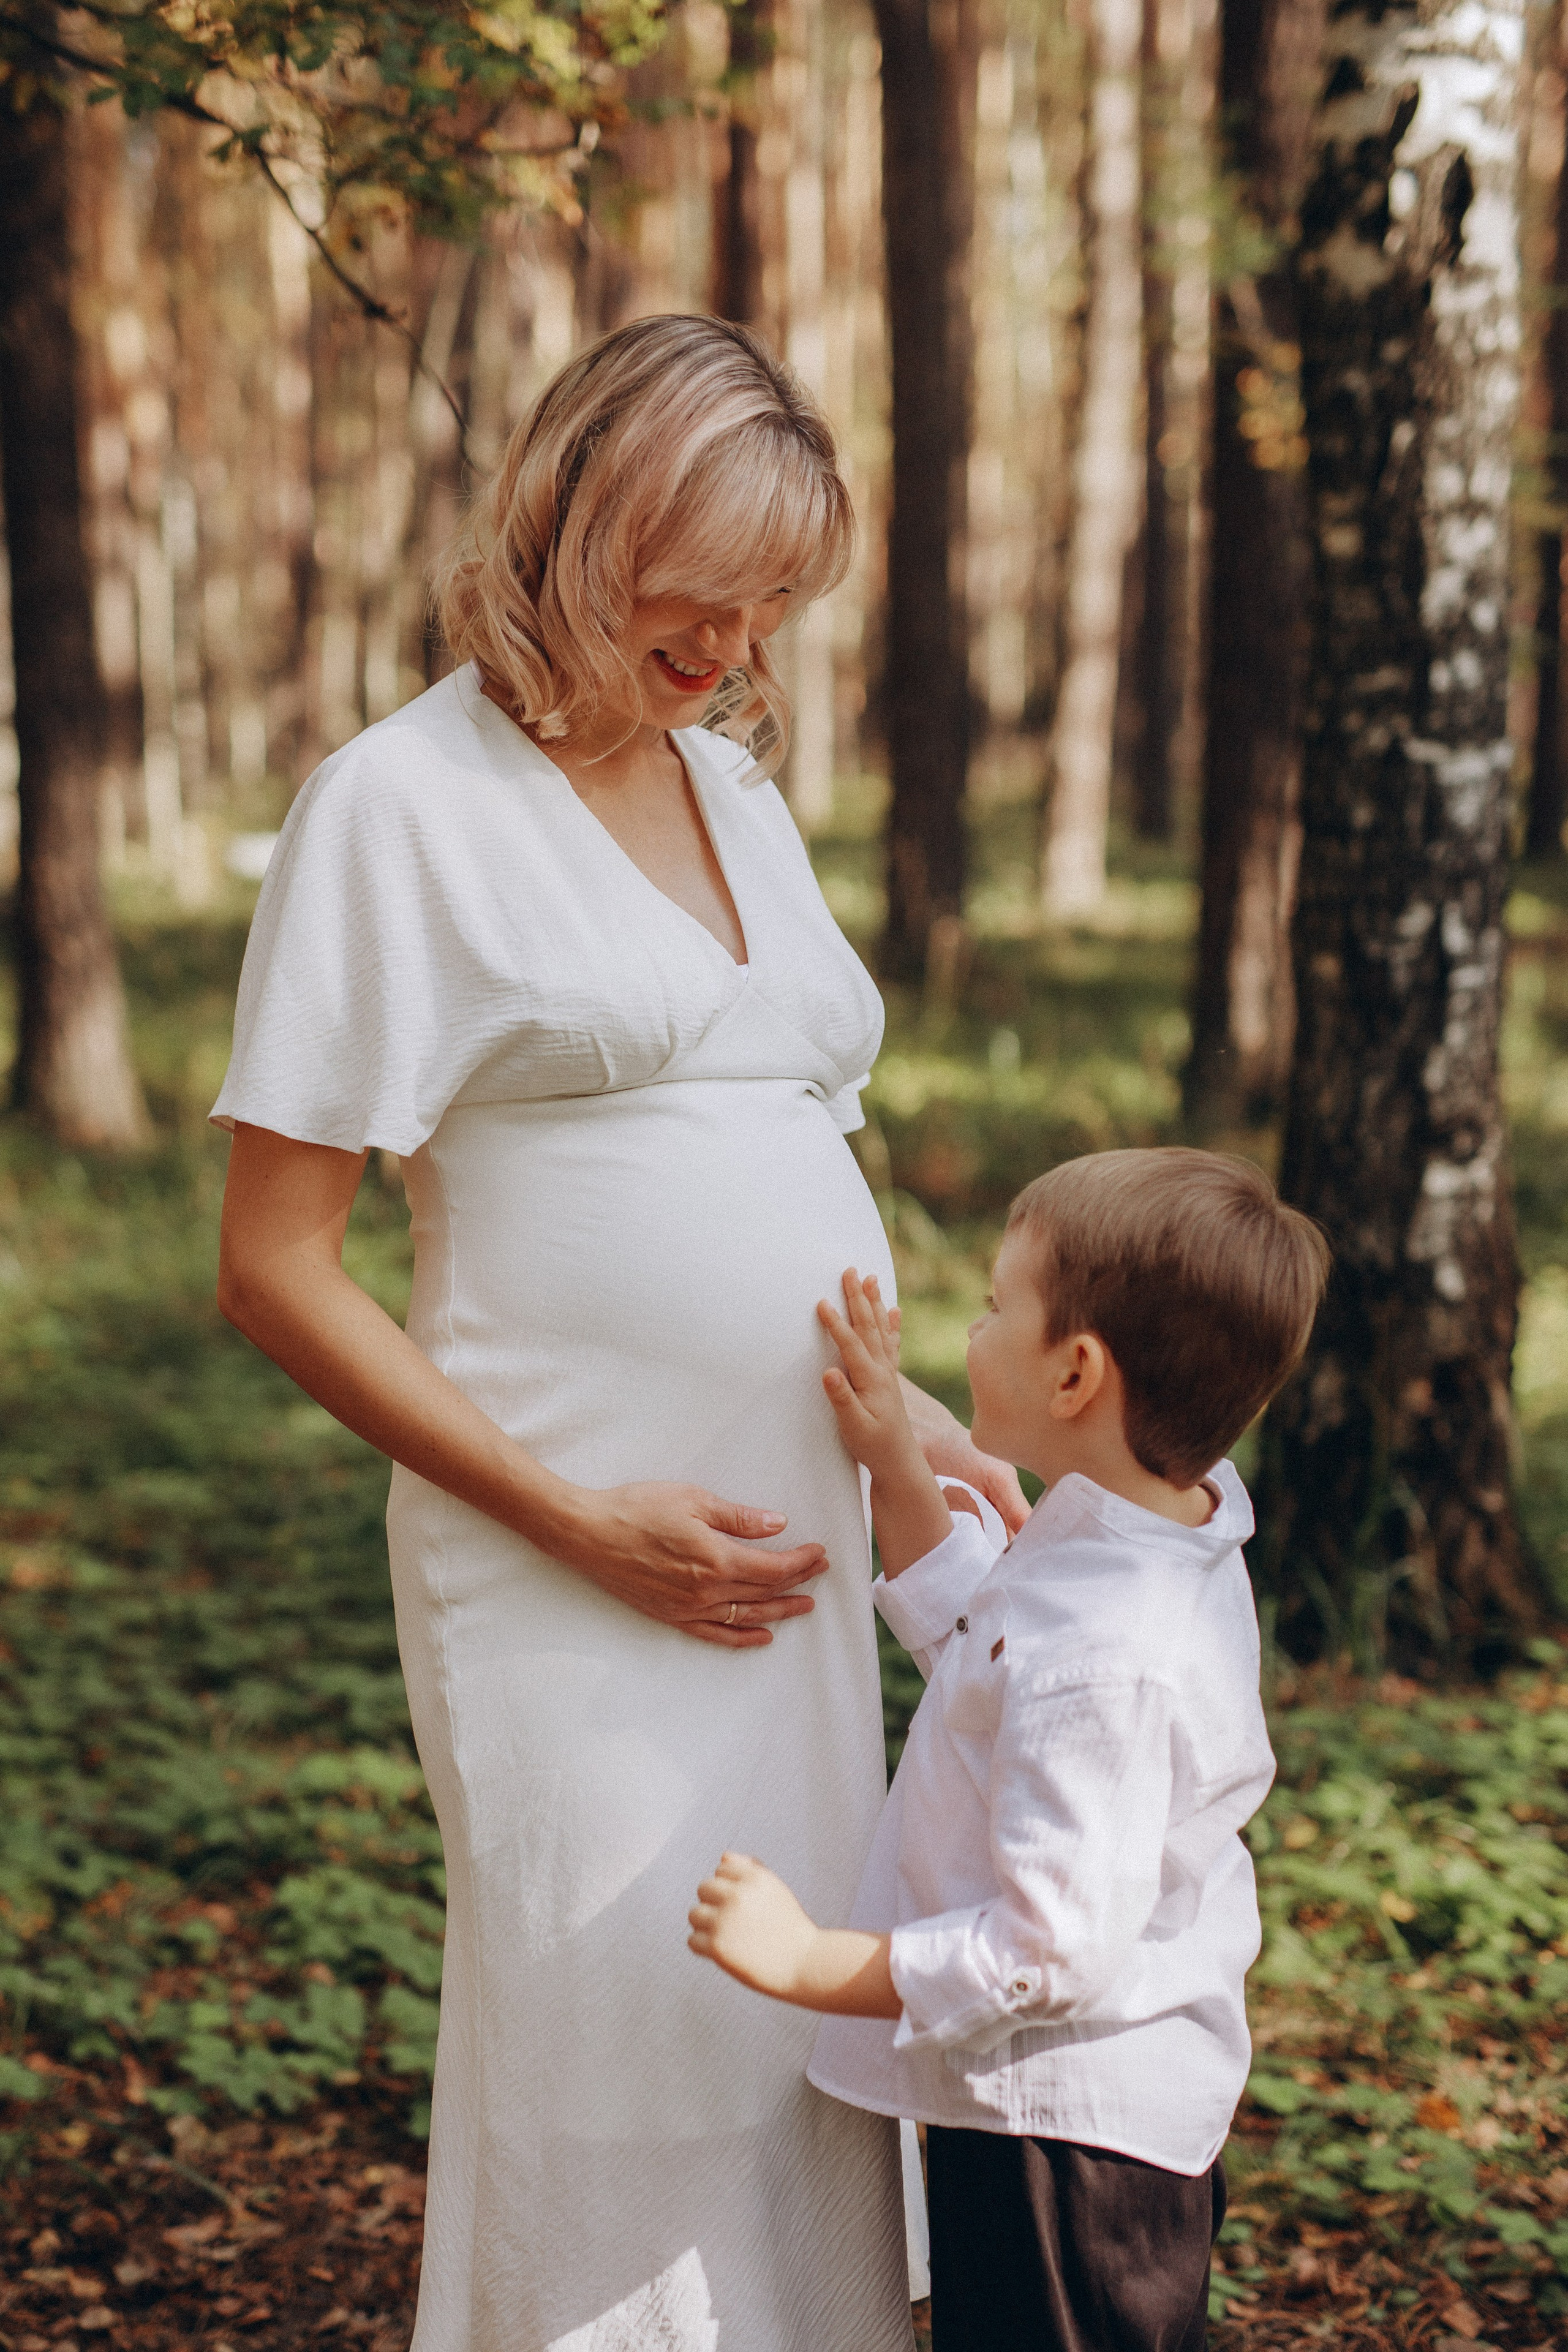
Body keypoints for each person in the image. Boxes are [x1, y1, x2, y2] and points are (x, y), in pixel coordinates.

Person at [212, 314, 1025, 2352]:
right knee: (612, 2054)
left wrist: (912, 1423)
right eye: (704, 588)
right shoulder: (398, 808)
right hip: (563, 1548)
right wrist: (579, 1523)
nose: (737, 646)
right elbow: (275, 1265)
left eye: (777, 604)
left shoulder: (736, 792)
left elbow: (772, 1150)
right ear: (583, 519)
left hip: (790, 1554)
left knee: (785, 2043)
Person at [688, 1147, 1330, 2352]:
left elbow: (1051, 1952)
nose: (972, 1331)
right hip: (1051, 2117)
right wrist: (896, 1463)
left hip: (1071, 2146)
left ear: (1075, 1371)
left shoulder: (1109, 1647)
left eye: (995, 1307)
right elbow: (990, 1655)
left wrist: (814, 1962)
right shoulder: (1153, 1534)